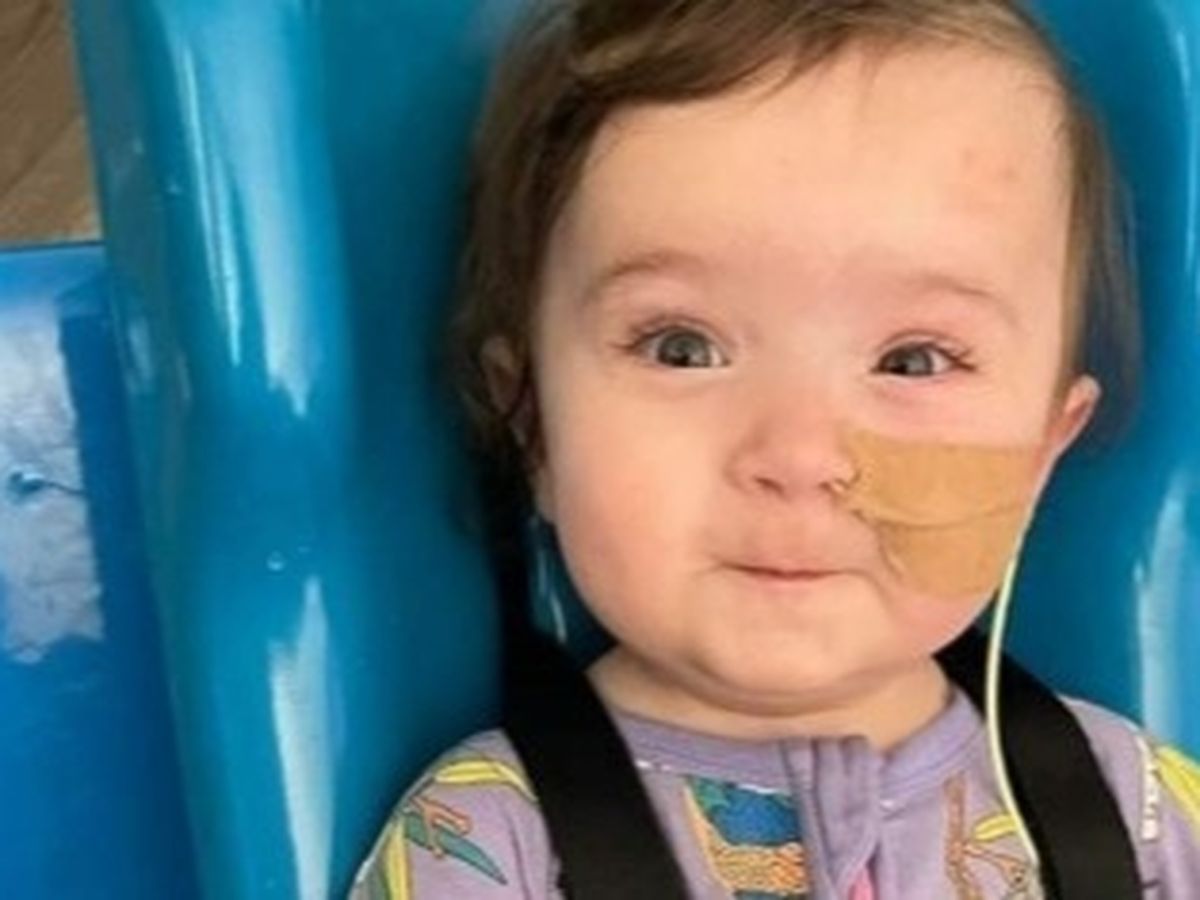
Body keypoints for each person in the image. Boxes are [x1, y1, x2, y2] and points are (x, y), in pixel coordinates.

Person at [351, 1, 1200, 896]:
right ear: (533, 424)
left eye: (913, 361)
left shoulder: (1148, 824)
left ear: (1039, 458)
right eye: (682, 348)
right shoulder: (481, 846)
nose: (797, 457)